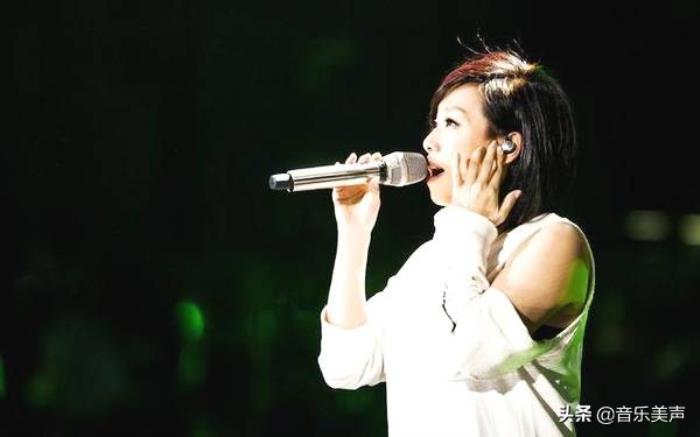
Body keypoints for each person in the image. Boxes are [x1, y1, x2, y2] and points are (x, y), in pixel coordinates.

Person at [317, 48, 595, 436]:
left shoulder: (554, 241)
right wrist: (353, 233)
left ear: (508, 146)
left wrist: (470, 222)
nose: (429, 141)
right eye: (434, 123)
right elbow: (344, 366)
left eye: (451, 123)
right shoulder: (432, 258)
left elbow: (469, 354)